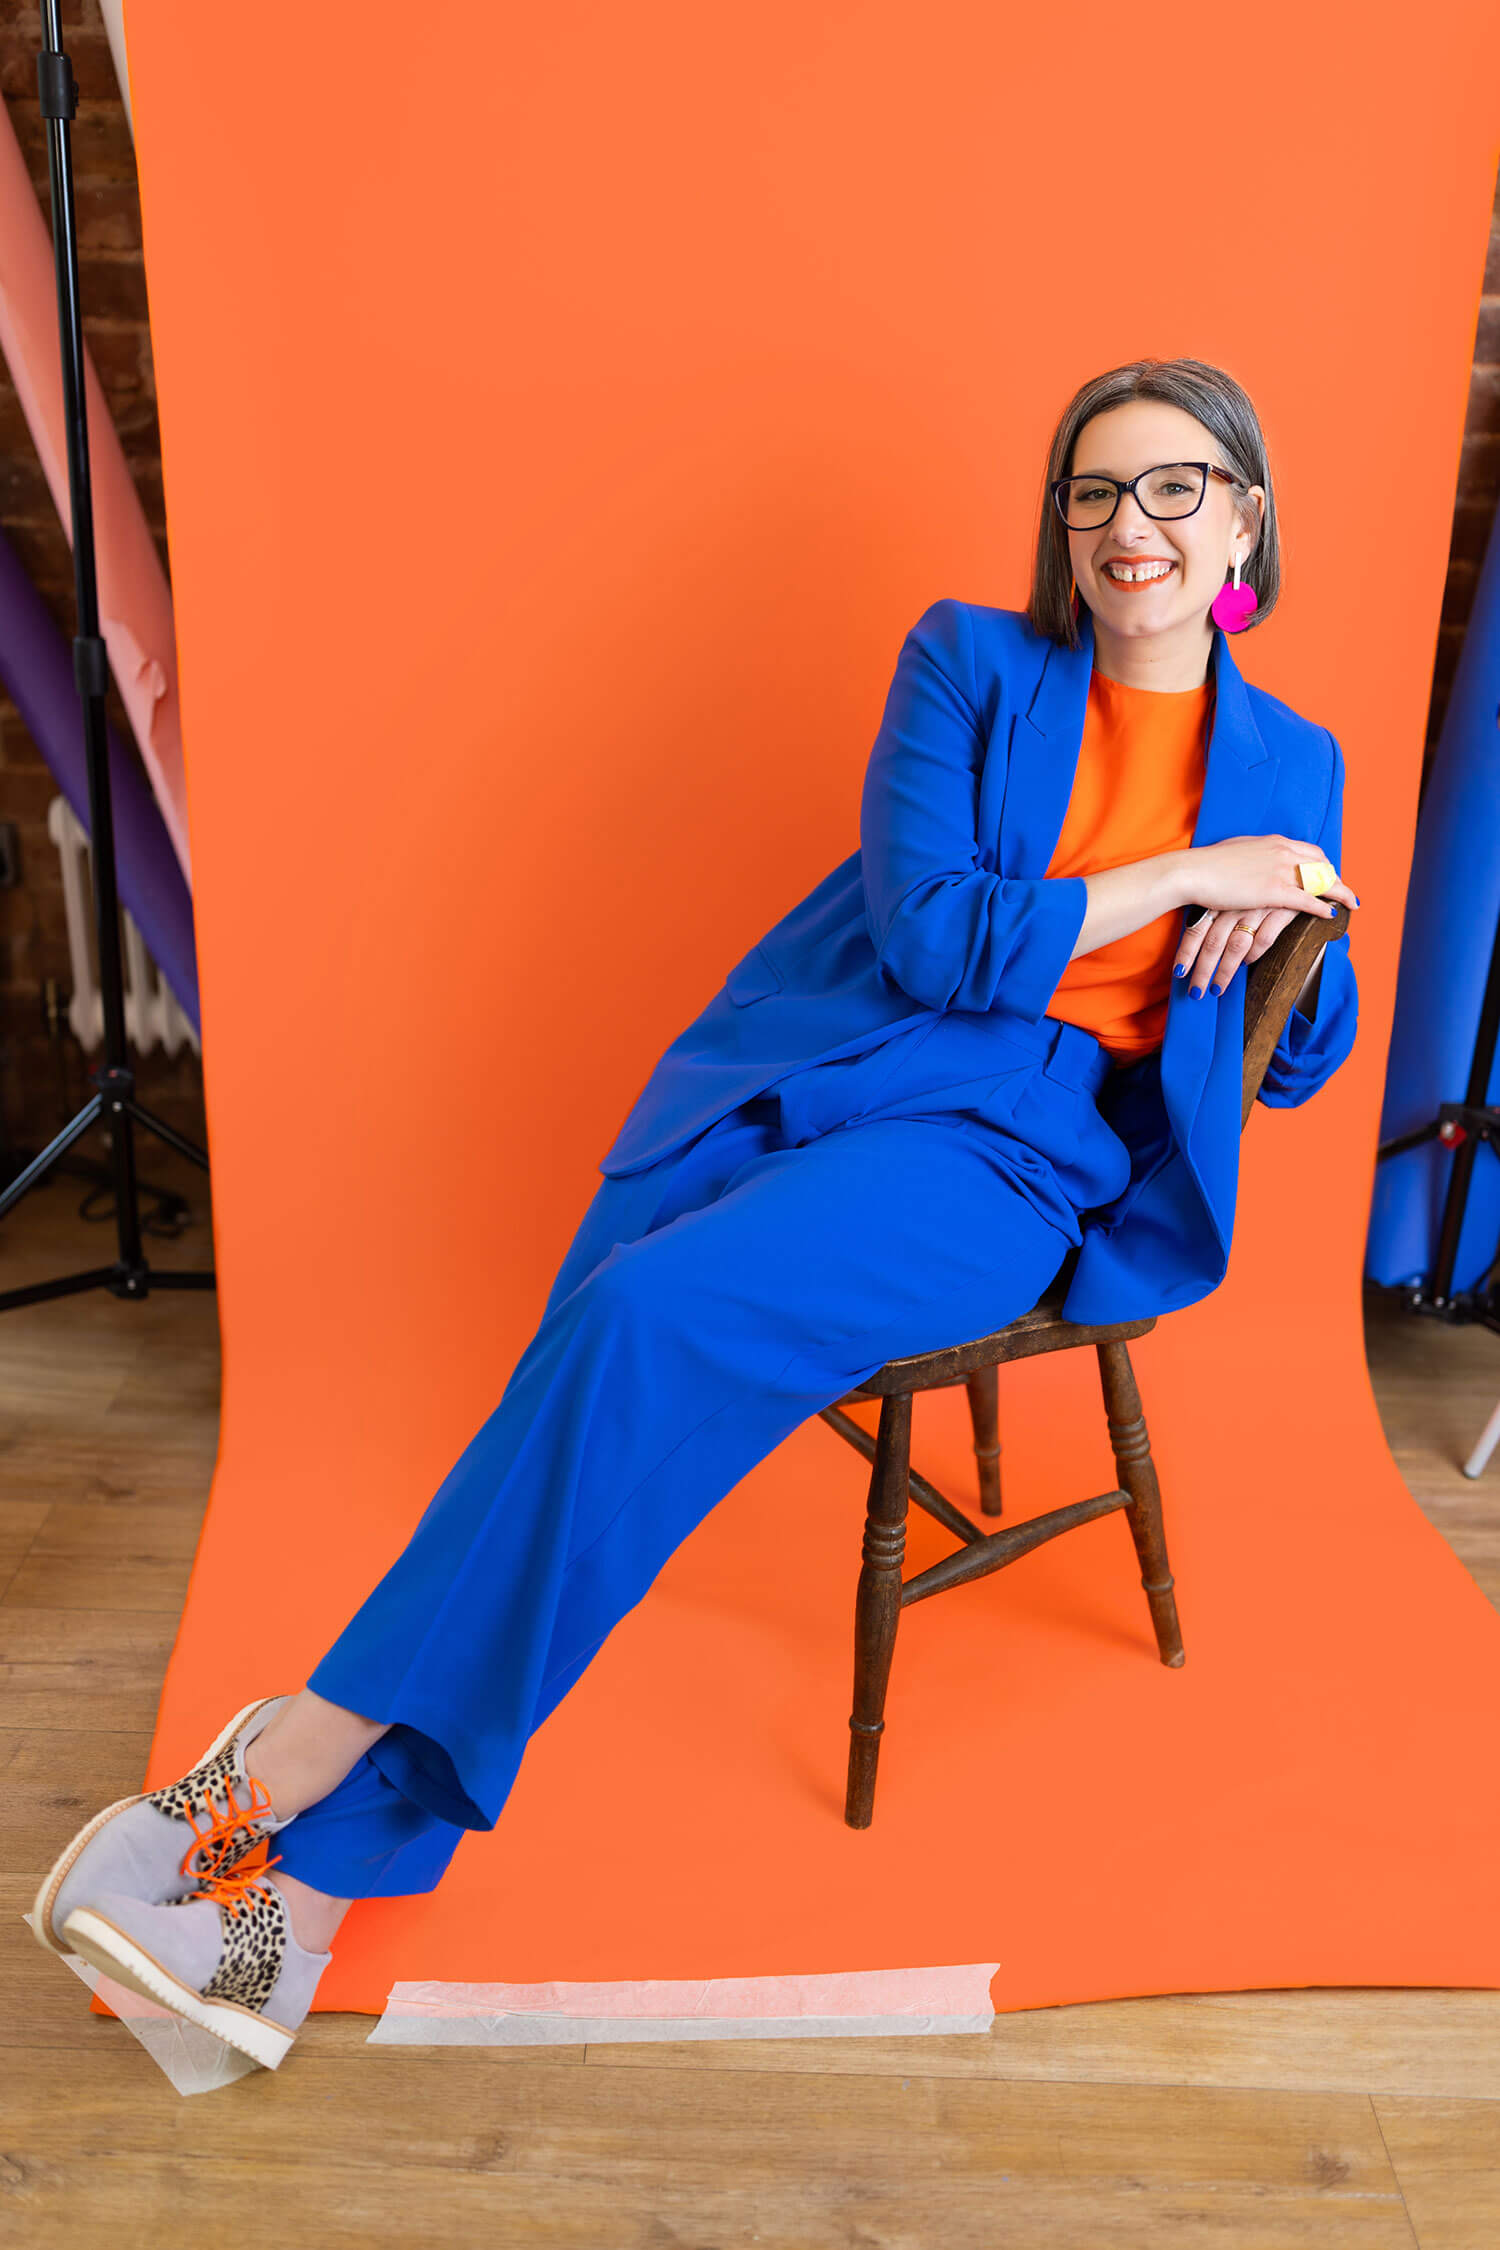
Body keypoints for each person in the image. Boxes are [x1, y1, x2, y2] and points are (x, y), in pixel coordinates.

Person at [33, 355, 1360, 2072]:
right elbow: (936, 938)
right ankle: (330, 1861)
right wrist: (1187, 875)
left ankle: (284, 1778)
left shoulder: (1292, 757)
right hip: (827, 1062)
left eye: (1176, 487)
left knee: (648, 1323)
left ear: (1244, 513)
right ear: (1062, 525)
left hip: (1015, 1149)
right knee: (606, 1324)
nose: (1132, 526)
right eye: (1095, 492)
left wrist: (1313, 914)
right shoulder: (969, 662)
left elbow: (1288, 1063)